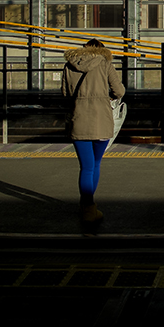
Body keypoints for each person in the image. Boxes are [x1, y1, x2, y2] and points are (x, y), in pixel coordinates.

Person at [61, 38, 125, 230]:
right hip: (101, 119)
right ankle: (89, 208)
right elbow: (119, 91)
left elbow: (65, 94)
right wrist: (106, 98)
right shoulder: (105, 64)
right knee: (95, 164)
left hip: (79, 119)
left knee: (86, 167)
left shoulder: (69, 65)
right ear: (101, 50)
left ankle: (87, 207)